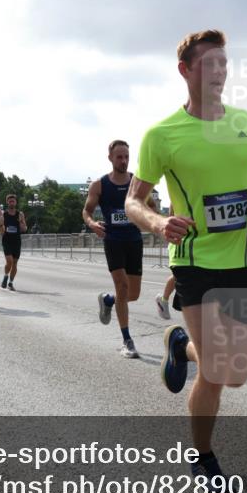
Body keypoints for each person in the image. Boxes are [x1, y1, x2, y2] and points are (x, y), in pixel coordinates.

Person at [125, 29, 247, 493]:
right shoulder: (162, 135)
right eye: (209, 64)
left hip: (240, 263)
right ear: (186, 71)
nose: (220, 72)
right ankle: (203, 459)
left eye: (224, 64)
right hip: (192, 263)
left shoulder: (246, 124)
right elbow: (135, 201)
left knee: (236, 374)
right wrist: (158, 223)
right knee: (214, 370)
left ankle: (180, 346)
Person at [84, 140, 149, 359]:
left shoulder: (136, 182)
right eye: (119, 156)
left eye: (126, 157)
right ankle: (127, 340)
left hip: (134, 239)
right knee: (123, 287)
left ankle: (108, 300)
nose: (123, 161)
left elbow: (151, 207)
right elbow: (87, 211)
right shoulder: (100, 185)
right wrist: (92, 224)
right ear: (110, 158)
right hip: (113, 240)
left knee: (133, 293)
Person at [0, 194, 27, 291]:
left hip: (16, 241)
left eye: (13, 201)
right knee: (9, 261)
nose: (12, 203)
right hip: (7, 240)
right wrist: (1, 228)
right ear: (7, 202)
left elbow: (24, 229)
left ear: (16, 202)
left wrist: (20, 222)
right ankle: (5, 276)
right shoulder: (3, 214)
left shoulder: (20, 214)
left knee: (15, 263)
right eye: (10, 201)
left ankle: (10, 282)